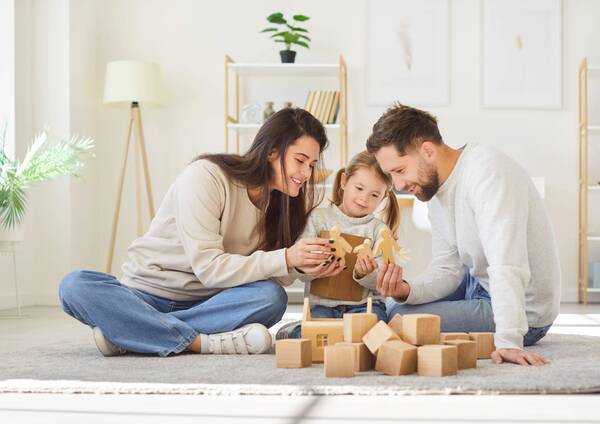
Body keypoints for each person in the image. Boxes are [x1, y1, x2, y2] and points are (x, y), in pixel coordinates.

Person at [59, 108, 336, 357]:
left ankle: (132, 332)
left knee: (271, 297)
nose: (306, 173)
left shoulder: (282, 205)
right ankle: (200, 343)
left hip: (209, 301)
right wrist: (287, 257)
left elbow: (270, 272)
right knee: (75, 286)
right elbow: (208, 268)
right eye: (300, 160)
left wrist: (304, 266)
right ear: (272, 151)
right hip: (146, 294)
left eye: (311, 165)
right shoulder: (207, 176)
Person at [366, 103, 560, 366]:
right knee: (393, 304)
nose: (398, 185)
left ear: (427, 150)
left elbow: (507, 264)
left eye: (400, 170)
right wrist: (406, 290)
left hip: (524, 311)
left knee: (398, 319)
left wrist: (508, 341)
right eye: (391, 175)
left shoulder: (487, 172)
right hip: (478, 284)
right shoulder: (436, 191)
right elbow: (447, 268)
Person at [276, 151, 400, 339]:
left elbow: (383, 283)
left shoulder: (379, 230)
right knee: (312, 338)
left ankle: (343, 335)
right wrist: (313, 265)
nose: (364, 199)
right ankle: (298, 330)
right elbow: (299, 271)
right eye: (359, 188)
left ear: (383, 198)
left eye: (374, 195)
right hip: (323, 307)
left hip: (365, 307)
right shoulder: (318, 219)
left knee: (375, 336)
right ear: (344, 182)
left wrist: (365, 274)